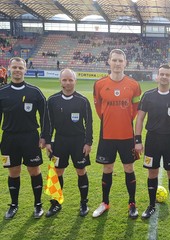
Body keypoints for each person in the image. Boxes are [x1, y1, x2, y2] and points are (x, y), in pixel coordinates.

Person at [135, 64, 170, 222]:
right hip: (152, 139)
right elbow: (140, 118)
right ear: (157, 76)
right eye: (162, 74)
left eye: (167, 74)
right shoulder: (148, 95)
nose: (164, 77)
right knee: (152, 172)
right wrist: (137, 140)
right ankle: (151, 205)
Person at [92, 49, 141, 219]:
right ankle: (105, 202)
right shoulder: (99, 84)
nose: (117, 63)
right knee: (108, 168)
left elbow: (135, 110)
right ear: (109, 61)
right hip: (107, 135)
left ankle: (132, 203)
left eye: (121, 60)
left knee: (129, 168)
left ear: (125, 63)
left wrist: (124, 119)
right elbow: (99, 109)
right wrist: (110, 120)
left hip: (127, 134)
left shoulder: (134, 85)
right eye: (114, 60)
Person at [0, 57, 46, 219]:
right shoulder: (2, 92)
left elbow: (45, 116)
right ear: (10, 69)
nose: (18, 70)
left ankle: (38, 205)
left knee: (34, 171)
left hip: (30, 138)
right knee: (13, 172)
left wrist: (44, 136)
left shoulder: (35, 92)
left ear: (25, 69)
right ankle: (13, 205)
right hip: (9, 139)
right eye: (15, 67)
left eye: (20, 67)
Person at [44, 68, 93, 217]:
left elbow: (89, 123)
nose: (68, 83)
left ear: (75, 81)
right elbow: (48, 123)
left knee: (81, 171)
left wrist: (88, 143)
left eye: (70, 80)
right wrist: (48, 142)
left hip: (78, 142)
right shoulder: (52, 100)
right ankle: (56, 203)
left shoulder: (83, 100)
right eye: (65, 80)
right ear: (60, 81)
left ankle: (84, 202)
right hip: (59, 141)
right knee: (58, 171)